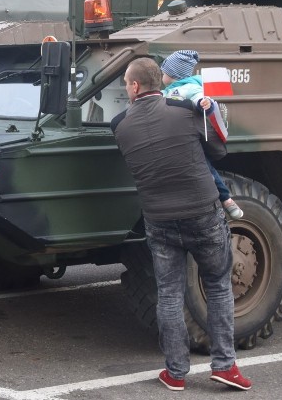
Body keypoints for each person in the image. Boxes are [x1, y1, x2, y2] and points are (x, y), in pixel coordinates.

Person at [111, 58, 252, 392]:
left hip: (159, 220)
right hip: (203, 213)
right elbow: (218, 151)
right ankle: (225, 367)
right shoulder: (184, 110)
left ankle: (175, 373)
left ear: (133, 87)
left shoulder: (119, 124)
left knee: (169, 294)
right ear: (158, 81)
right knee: (218, 286)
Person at [160, 50, 243, 219]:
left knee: (206, 169)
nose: (162, 75)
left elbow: (201, 99)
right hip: (175, 140)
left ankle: (226, 199)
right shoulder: (168, 91)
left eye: (164, 72)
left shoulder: (189, 88)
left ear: (173, 74)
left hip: (189, 140)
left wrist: (204, 103)